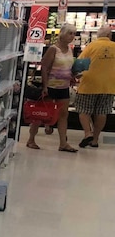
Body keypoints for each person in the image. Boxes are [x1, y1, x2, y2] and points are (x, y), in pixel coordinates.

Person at [27, 24, 77, 152]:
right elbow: (44, 66)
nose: (72, 36)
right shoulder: (53, 49)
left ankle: (63, 143)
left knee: (63, 115)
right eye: (70, 33)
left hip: (64, 87)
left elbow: (68, 67)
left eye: (74, 34)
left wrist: (72, 75)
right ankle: (31, 139)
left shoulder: (70, 49)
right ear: (62, 34)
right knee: (42, 114)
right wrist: (45, 86)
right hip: (51, 86)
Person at [75, 25, 115, 148]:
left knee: (83, 110)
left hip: (89, 83)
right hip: (109, 85)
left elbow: (80, 63)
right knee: (102, 112)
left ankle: (88, 133)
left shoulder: (91, 46)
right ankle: (95, 139)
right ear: (109, 36)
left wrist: (76, 74)